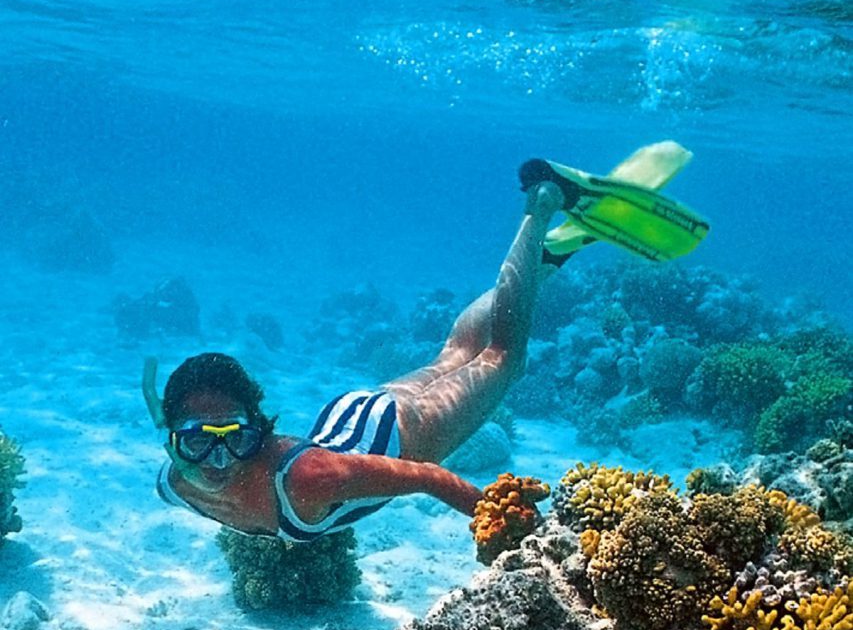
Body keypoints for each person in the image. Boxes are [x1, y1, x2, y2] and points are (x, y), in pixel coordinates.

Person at [144, 142, 708, 543]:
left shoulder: (308, 481)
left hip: (398, 437)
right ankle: (545, 256)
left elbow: (426, 476)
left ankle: (543, 204)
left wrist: (500, 525)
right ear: (171, 441)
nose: (217, 458)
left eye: (234, 437)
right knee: (454, 353)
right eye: (198, 441)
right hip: (352, 415)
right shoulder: (172, 482)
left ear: (257, 429)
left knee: (501, 359)